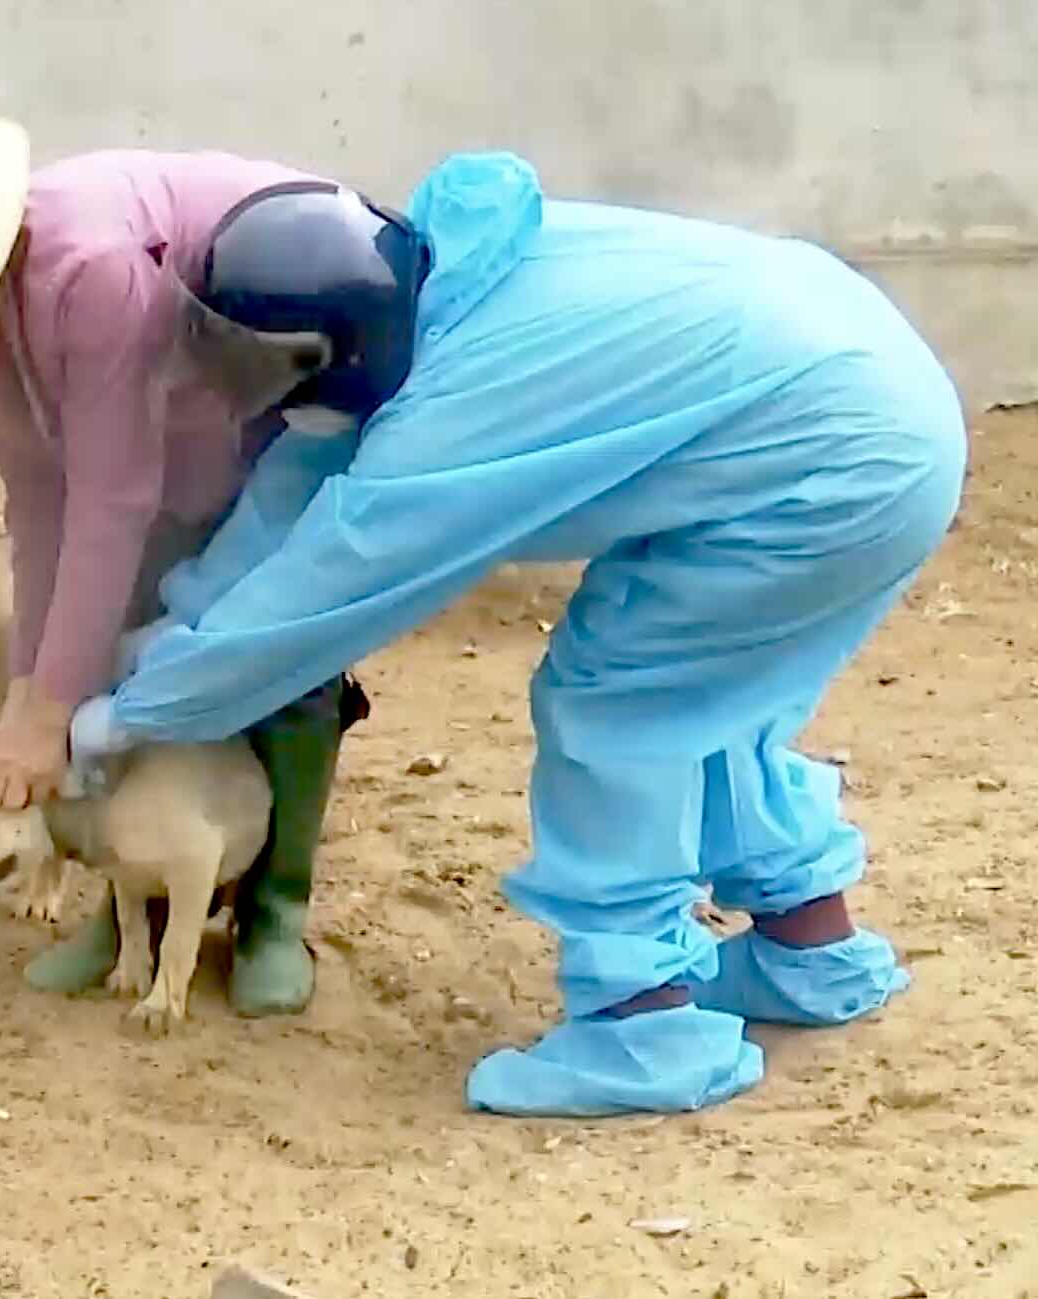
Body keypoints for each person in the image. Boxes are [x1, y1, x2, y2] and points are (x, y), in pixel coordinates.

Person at [61, 147, 965, 1116]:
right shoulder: (439, 284)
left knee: (624, 699)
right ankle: (806, 951)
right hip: (866, 396)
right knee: (712, 694)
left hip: (831, 460)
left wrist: (137, 709)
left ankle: (640, 1028)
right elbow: (305, 481)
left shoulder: (461, 408)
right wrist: (172, 629)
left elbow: (328, 590)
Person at [0, 120, 370, 1015]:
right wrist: (25, 697)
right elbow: (40, 492)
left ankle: (274, 908)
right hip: (187, 415)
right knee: (120, 632)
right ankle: (135, 902)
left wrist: (46, 714)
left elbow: (112, 497)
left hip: (297, 382)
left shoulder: (85, 268)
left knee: (276, 633)